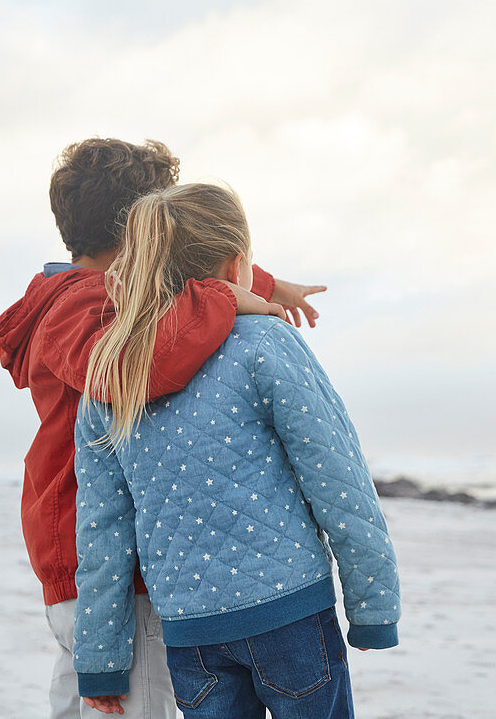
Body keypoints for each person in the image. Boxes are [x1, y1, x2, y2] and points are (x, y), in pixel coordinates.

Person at [0, 138, 328, 719]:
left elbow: (190, 272)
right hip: (106, 564)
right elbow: (137, 366)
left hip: (102, 562)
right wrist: (226, 294)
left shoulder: (105, 294)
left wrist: (266, 285)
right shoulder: (80, 307)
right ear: (143, 229)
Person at [72, 183, 401, 718]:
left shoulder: (111, 373)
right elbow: (337, 479)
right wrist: (374, 603)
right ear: (237, 265)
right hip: (290, 610)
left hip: (190, 632)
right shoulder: (264, 343)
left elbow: (102, 530)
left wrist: (101, 657)